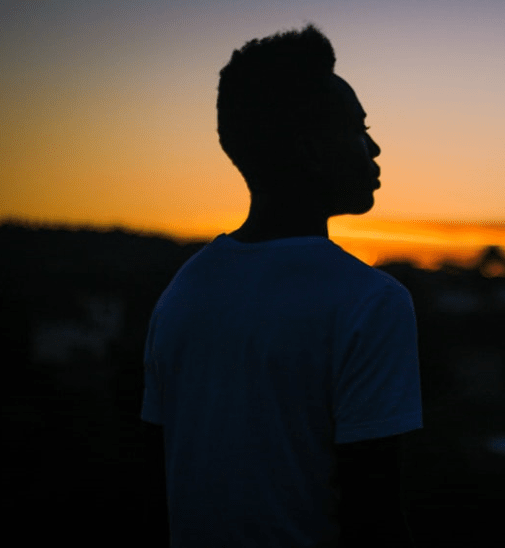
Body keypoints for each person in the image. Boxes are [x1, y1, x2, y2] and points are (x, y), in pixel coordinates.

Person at [141, 24, 422, 547]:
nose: (375, 147)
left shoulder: (183, 292)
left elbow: (158, 482)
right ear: (313, 150)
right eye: (358, 130)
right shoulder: (370, 302)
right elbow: (373, 514)